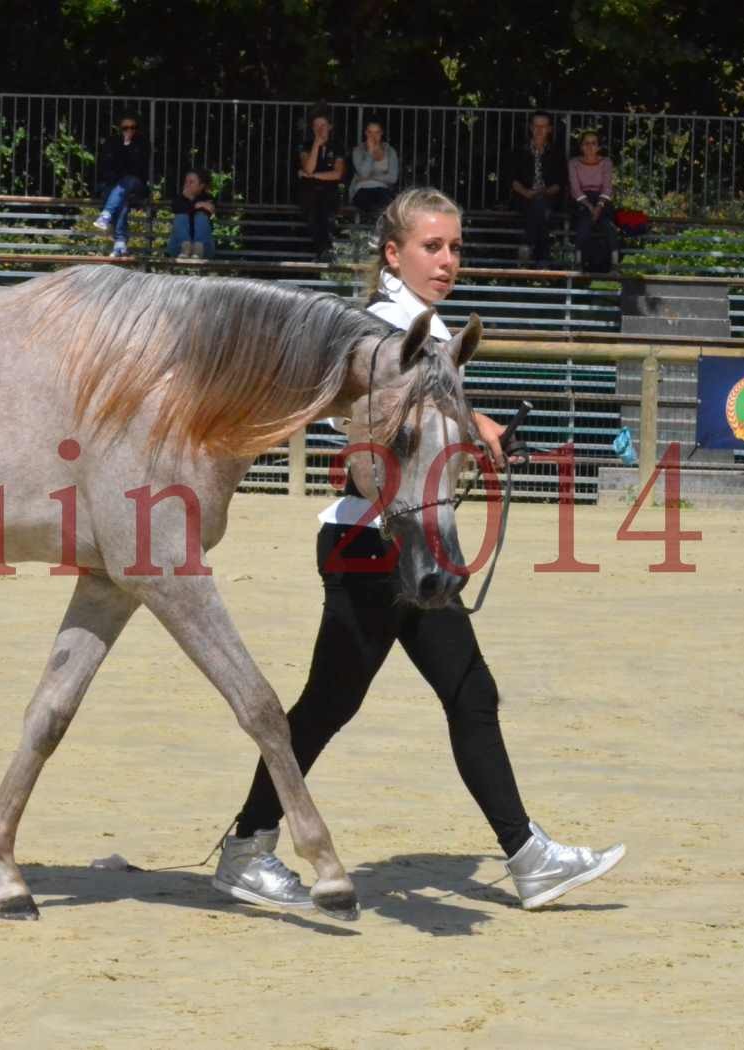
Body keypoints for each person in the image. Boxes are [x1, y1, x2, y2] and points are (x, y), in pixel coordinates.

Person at [211, 186, 626, 914]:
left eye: (455, 247)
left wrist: (479, 427)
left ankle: (525, 856)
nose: (446, 260)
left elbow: (433, 412)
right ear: (392, 254)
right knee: (350, 703)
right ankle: (248, 846)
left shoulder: (427, 333)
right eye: (431, 247)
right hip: (372, 542)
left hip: (405, 539)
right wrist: (474, 427)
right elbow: (384, 411)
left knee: (439, 694)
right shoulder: (373, 331)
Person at [504, 111, 568, 266]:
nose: (540, 130)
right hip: (523, 197)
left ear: (549, 129)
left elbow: (560, 182)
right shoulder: (520, 151)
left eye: (543, 126)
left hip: (548, 197)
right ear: (531, 128)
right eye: (536, 126)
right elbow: (512, 180)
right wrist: (527, 193)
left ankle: (527, 246)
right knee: (539, 208)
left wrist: (544, 192)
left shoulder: (556, 153)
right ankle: (543, 257)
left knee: (540, 204)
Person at [93, 113, 151, 258]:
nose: (129, 130)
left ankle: (106, 215)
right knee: (122, 198)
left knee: (127, 183)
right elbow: (108, 166)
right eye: (126, 128)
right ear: (120, 128)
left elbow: (138, 169)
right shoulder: (112, 142)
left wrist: (128, 146)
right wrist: (123, 146)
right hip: (116, 187)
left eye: (133, 127)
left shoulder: (143, 143)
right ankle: (120, 242)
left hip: (136, 184)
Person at [296, 109, 347, 261]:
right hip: (310, 191)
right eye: (316, 126)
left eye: (323, 125)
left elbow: (337, 174)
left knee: (324, 209)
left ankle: (323, 251)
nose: (320, 129)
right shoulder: (306, 146)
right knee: (314, 210)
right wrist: (316, 146)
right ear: (312, 128)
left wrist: (313, 175)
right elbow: (308, 167)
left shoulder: (337, 146)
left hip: (329, 191)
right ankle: (324, 250)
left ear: (330, 127)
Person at [568, 129, 617, 272]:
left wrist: (599, 206)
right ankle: (578, 262)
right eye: (586, 143)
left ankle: (614, 263)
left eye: (593, 143)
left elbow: (607, 187)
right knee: (584, 221)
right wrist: (590, 206)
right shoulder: (574, 163)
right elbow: (575, 189)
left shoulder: (606, 162)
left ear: (599, 147)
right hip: (582, 200)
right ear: (581, 146)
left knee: (608, 225)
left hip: (602, 199)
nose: (590, 147)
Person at [348, 118, 399, 224]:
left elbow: (393, 178)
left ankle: (376, 230)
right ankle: (375, 229)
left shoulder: (390, 151)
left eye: (377, 132)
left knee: (385, 203)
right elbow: (363, 173)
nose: (373, 136)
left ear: (382, 133)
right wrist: (370, 152)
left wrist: (371, 177)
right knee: (369, 203)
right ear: (365, 133)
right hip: (362, 189)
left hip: (383, 189)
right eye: (370, 132)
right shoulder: (358, 151)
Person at [165, 168, 217, 259]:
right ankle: (186, 246)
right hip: (178, 248)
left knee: (201, 217)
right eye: (186, 182)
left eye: (191, 182)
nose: (187, 185)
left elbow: (210, 209)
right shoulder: (179, 199)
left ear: (201, 186)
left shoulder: (207, 198)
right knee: (181, 216)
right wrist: (195, 203)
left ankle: (198, 248)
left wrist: (196, 204)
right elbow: (177, 208)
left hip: (205, 249)